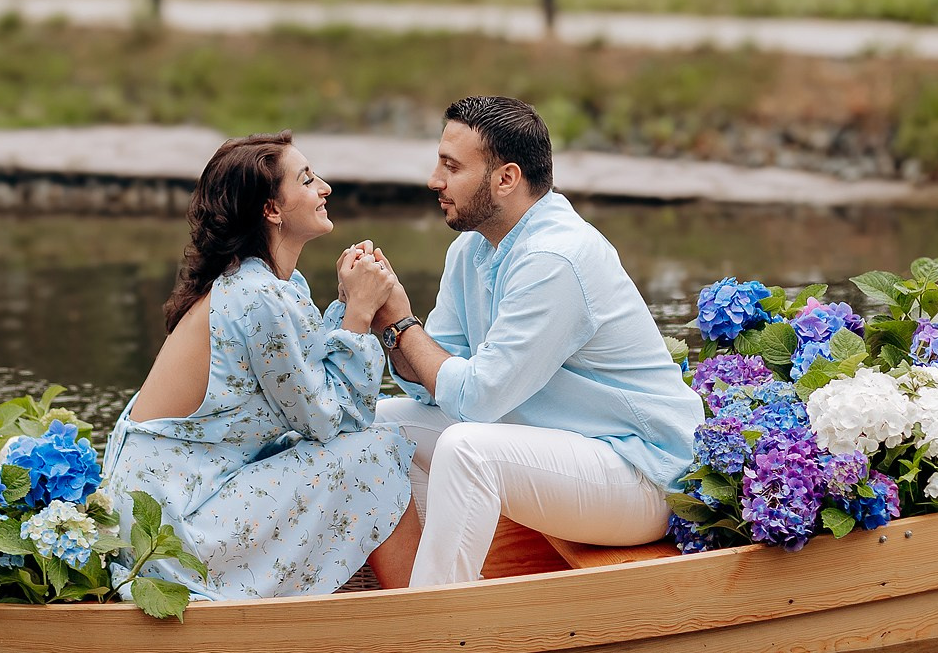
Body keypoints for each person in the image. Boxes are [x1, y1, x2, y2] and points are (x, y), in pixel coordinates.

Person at [368, 96, 702, 587]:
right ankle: (417, 586)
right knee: (379, 427)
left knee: (468, 449)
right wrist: (387, 321)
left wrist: (402, 323)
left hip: (642, 472)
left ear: (506, 178)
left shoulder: (555, 258)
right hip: (566, 453)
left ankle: (433, 628)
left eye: (451, 166)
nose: (434, 180)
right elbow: (432, 381)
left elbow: (477, 399)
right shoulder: (472, 249)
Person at [104, 132, 421, 601]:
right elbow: (332, 420)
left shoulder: (268, 285)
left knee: (350, 449)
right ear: (272, 210)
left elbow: (314, 396)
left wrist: (347, 304)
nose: (325, 187)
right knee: (373, 454)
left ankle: (408, 602)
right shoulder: (256, 295)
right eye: (308, 179)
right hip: (170, 534)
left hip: (174, 511)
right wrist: (357, 314)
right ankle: (432, 612)